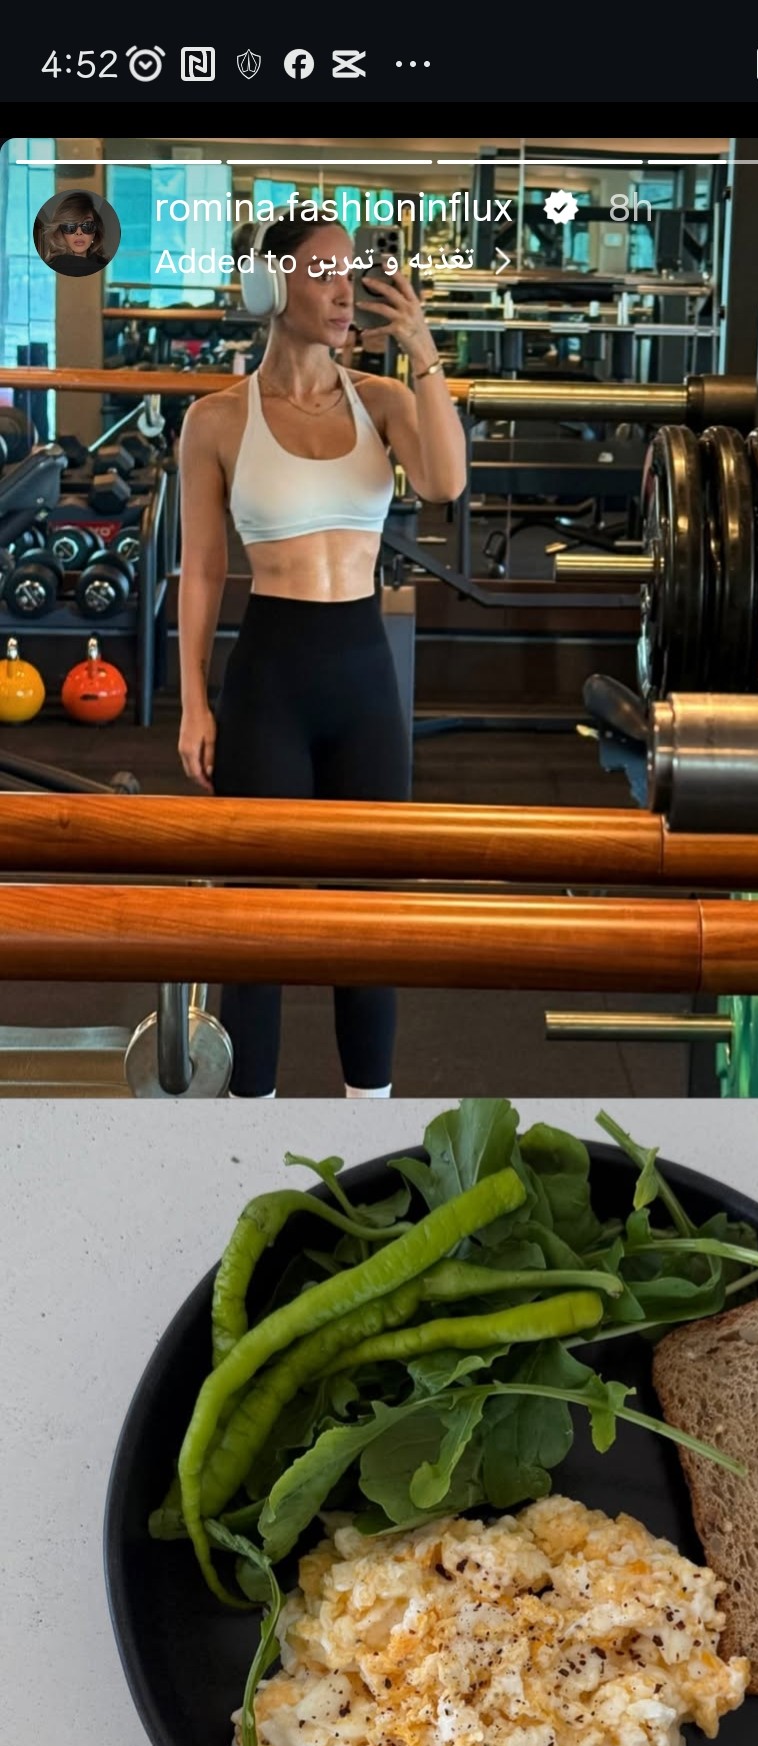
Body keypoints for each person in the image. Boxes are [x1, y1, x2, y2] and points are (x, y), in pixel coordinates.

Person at [177, 207, 466, 1097]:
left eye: (353, 273)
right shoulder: (217, 421)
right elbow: (201, 571)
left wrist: (422, 352)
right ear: (271, 288)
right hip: (270, 674)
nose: (346, 291)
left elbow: (449, 484)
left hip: (362, 673)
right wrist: (192, 699)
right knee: (257, 921)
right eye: (324, 272)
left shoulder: (380, 401)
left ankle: (368, 1117)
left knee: (370, 917)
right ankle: (245, 1127)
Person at [35, 191, 110, 276]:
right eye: (70, 226)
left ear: (95, 232)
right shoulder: (52, 270)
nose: (79, 233)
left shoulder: (104, 267)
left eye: (87, 225)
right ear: (60, 232)